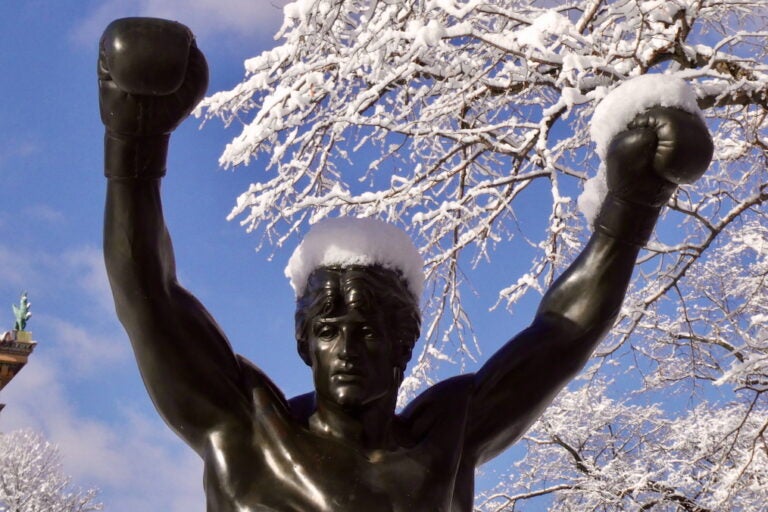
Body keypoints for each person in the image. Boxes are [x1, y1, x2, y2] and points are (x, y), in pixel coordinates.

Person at [99, 18, 713, 512]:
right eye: (329, 330)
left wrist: (630, 211)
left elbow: (562, 335)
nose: (346, 348)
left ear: (404, 345)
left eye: (367, 331)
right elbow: (146, 297)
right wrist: (135, 148)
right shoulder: (249, 431)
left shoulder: (444, 439)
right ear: (304, 343)